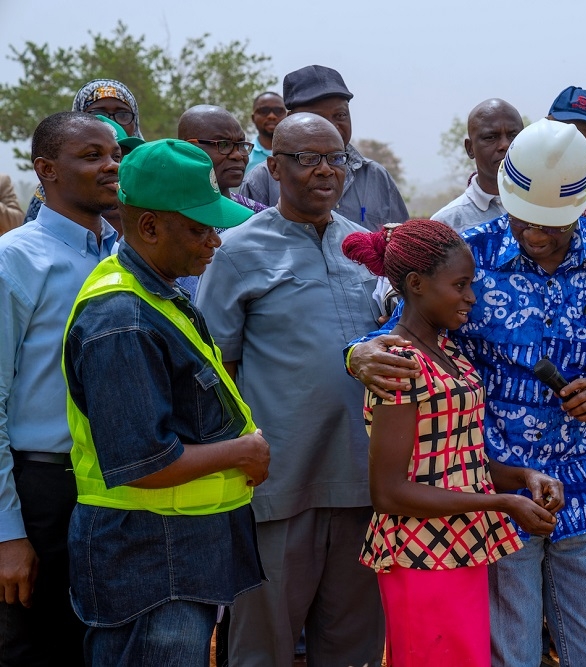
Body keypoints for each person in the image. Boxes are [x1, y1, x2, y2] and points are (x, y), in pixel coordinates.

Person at [348, 119, 586, 667]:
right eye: (525, 221)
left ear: (581, 209)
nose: (535, 236)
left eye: (552, 227)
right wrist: (357, 353)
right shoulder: (470, 256)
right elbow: (402, 326)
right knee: (508, 654)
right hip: (492, 491)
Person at [61, 138, 268, 665]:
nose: (214, 243)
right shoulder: (121, 320)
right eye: (199, 230)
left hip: (175, 557)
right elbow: (143, 461)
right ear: (149, 227)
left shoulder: (158, 294)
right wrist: (241, 453)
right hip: (151, 565)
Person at [197, 113, 387, 667]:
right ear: (275, 167)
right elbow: (216, 369)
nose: (326, 171)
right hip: (279, 486)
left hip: (362, 483)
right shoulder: (235, 251)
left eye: (336, 158)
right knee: (264, 646)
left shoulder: (366, 249)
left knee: (352, 646)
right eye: (308, 159)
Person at [341, 219, 564, 666]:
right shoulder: (399, 363)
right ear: (416, 284)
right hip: (421, 554)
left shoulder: (451, 354)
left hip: (458, 547)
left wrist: (524, 477)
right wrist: (502, 503)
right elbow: (389, 492)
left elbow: (459, 460)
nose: (471, 298)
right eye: (460, 285)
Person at [0, 111, 119, 665]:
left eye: (113, 154)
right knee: (35, 647)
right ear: (46, 170)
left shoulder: (126, 257)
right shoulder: (16, 260)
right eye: (91, 155)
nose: (111, 165)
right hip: (43, 489)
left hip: (117, 487)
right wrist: (8, 534)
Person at [240, 65, 408, 230]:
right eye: (317, 117)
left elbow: (404, 248)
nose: (332, 126)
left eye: (340, 115)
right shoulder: (261, 181)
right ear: (290, 120)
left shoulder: (376, 177)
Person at [23, 78, 144, 225]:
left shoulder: (149, 179)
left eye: (123, 114)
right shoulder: (50, 195)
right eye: (93, 156)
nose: (111, 123)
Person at [432, 99, 523, 232]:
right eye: (491, 137)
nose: (505, 145)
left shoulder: (551, 206)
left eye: (513, 136)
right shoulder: (447, 224)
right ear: (470, 149)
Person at [546, 85, 586, 219]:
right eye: (566, 128)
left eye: (584, 133)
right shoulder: (520, 176)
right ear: (547, 124)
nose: (574, 138)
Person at [246, 91, 286, 174]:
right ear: (253, 118)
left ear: (287, 116)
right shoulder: (243, 156)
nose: (272, 116)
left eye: (278, 111)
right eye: (264, 111)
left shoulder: (299, 154)